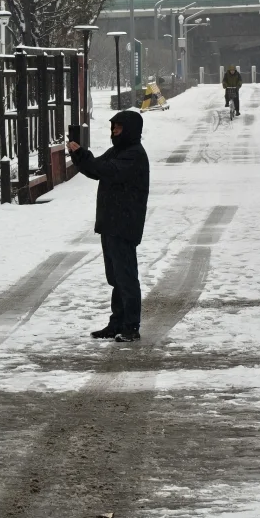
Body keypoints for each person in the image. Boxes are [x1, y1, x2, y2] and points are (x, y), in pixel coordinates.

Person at [67, 109, 150, 343]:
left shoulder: (133, 155)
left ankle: (130, 326)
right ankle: (117, 323)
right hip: (111, 223)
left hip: (124, 224)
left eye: (119, 128)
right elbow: (95, 169)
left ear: (130, 130)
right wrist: (80, 155)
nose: (114, 131)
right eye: (113, 127)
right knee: (115, 277)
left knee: (126, 277)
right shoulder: (118, 151)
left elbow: (106, 170)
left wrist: (83, 155)